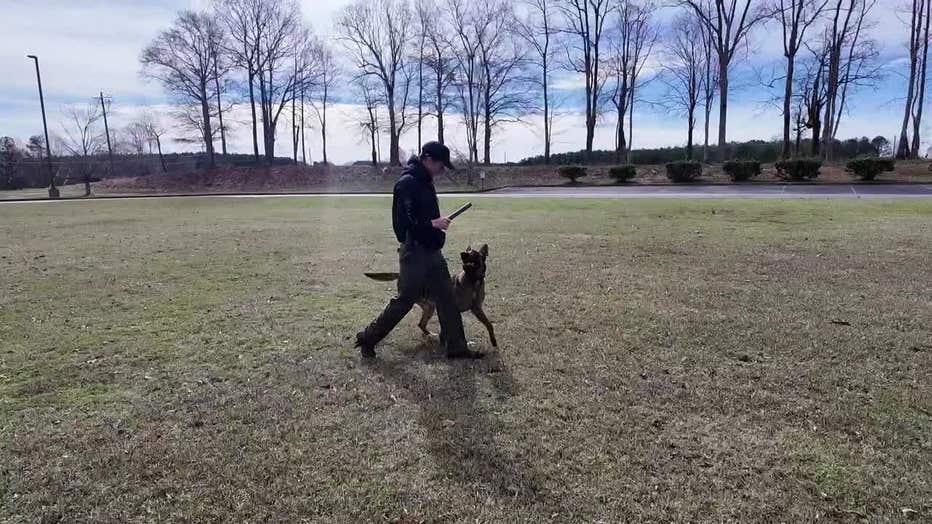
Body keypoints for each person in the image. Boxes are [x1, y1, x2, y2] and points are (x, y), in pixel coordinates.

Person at [355, 142, 483, 360]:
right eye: (441, 165)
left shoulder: (426, 182)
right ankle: (367, 338)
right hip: (414, 253)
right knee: (405, 300)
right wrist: (433, 224)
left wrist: (436, 228)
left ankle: (456, 347)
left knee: (447, 298)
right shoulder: (407, 184)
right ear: (428, 159)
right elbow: (402, 225)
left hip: (433, 252)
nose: (443, 171)